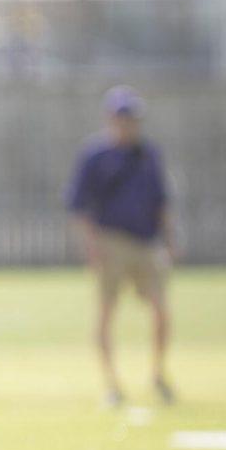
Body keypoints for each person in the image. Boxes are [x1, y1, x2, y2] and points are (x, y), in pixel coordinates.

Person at [66, 85, 176, 407]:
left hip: (145, 242)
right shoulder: (95, 155)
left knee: (160, 308)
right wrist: (91, 245)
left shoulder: (148, 154)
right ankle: (111, 383)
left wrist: (169, 241)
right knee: (106, 312)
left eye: (133, 119)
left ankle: (158, 372)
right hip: (111, 241)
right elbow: (79, 205)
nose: (129, 125)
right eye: (123, 118)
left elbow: (162, 201)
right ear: (111, 119)